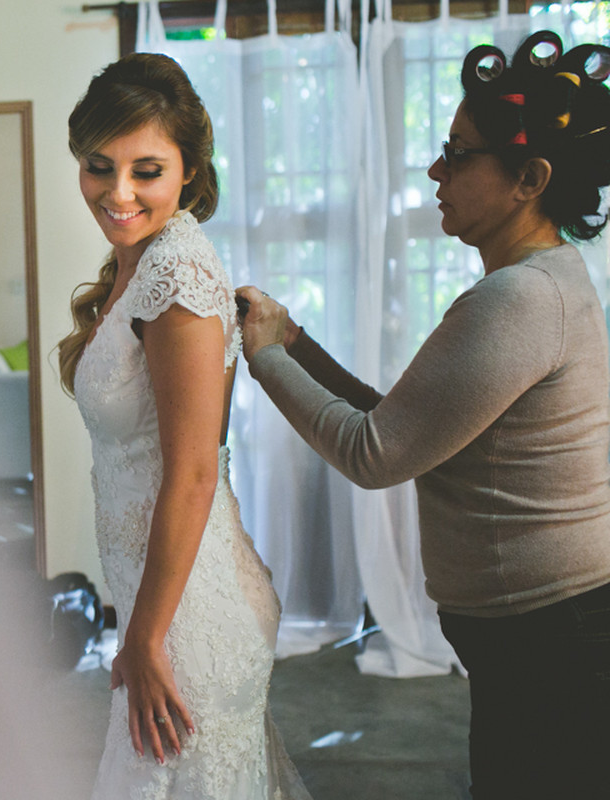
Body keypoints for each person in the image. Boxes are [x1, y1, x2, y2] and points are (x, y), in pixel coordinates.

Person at [238, 31, 610, 799]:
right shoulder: (545, 280)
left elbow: (375, 453)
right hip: (547, 628)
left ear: (529, 180)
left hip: (552, 634)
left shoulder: (517, 299)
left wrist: (262, 355)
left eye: (459, 153)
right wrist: (297, 344)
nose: (436, 169)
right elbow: (410, 425)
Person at [60, 52, 310, 799]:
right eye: (99, 166)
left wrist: (142, 637)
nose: (118, 192)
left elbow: (195, 470)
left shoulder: (179, 274)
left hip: (188, 619)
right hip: (165, 600)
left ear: (190, 171)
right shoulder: (138, 261)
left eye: (147, 170)